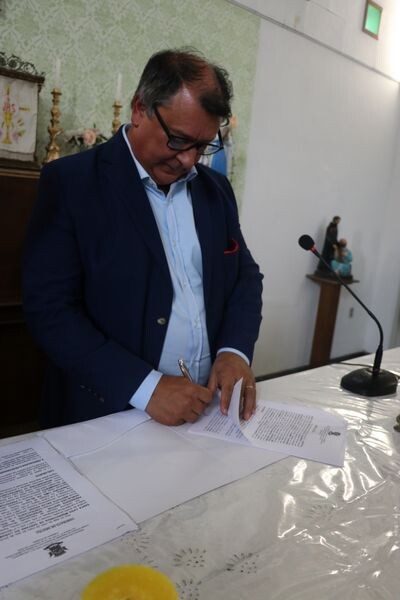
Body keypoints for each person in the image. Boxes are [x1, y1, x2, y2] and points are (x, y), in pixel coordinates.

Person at [22, 48, 263, 429]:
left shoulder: (215, 190)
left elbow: (244, 278)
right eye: (179, 140)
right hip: (105, 413)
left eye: (203, 146)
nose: (189, 160)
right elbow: (50, 310)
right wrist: (146, 387)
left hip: (204, 412)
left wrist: (234, 351)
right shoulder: (72, 183)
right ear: (139, 109)